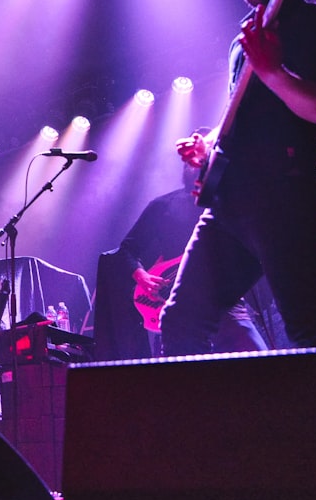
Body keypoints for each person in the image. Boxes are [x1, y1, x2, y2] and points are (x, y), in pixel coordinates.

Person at [161, 0, 316, 355]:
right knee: (180, 320)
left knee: (311, 330)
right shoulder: (242, 41)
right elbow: (243, 114)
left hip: (283, 199)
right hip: (229, 204)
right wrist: (207, 145)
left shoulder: (315, 22)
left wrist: (271, 68)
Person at [95, 139, 268, 360]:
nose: (193, 165)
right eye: (189, 162)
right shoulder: (162, 205)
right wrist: (142, 277)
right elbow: (127, 248)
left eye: (201, 159)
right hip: (172, 296)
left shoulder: (227, 202)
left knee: (253, 356)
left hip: (222, 293)